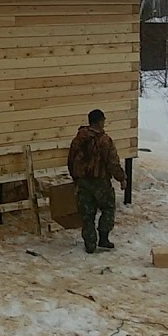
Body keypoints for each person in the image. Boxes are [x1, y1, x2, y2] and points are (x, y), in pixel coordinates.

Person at [67, 109, 126, 254]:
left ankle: (90, 243)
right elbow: (112, 163)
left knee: (87, 214)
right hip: (100, 182)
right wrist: (122, 178)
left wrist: (76, 178)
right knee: (108, 208)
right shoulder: (105, 141)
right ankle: (103, 238)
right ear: (100, 122)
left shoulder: (78, 139)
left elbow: (70, 160)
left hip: (83, 182)